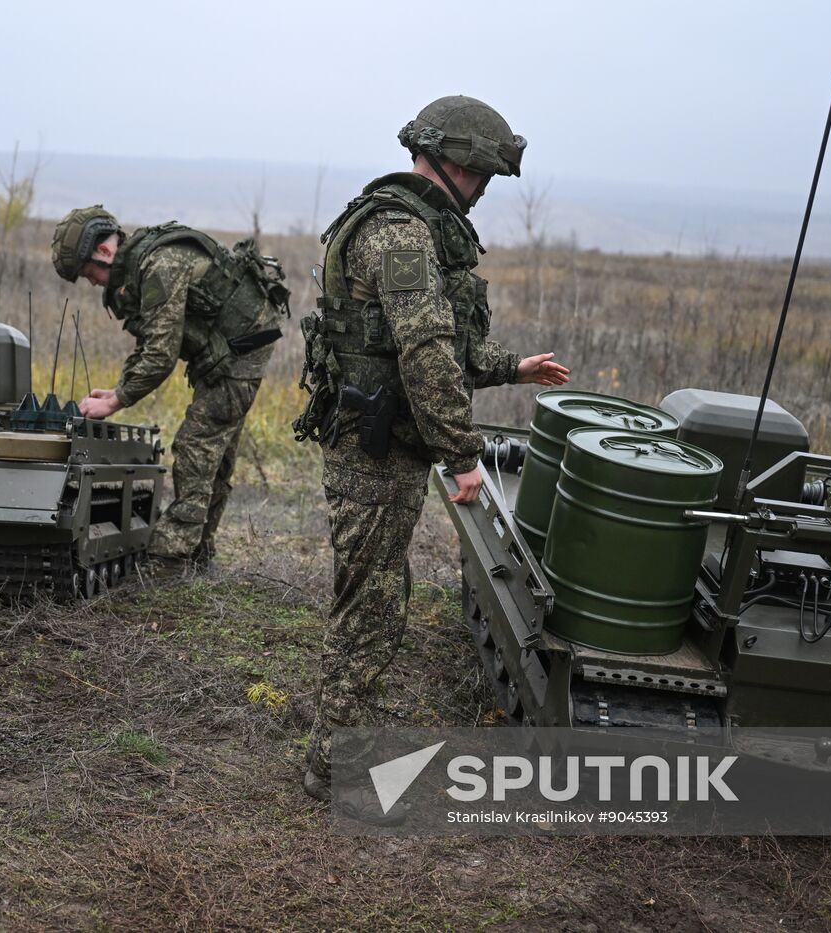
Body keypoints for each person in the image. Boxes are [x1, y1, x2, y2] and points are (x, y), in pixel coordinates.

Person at [293, 95, 570, 816]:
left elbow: (439, 345)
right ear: (460, 163)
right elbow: (423, 357)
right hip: (376, 454)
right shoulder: (402, 235)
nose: (484, 191)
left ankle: (336, 740)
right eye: (484, 175)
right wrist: (462, 454)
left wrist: (513, 367)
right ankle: (334, 767)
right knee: (371, 609)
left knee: (373, 599)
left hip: (382, 450)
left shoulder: (408, 226)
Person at [50, 207, 289, 569]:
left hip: (241, 353)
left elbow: (161, 355)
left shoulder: (161, 266)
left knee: (196, 447)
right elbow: (151, 340)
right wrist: (117, 388)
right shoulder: (141, 268)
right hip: (228, 350)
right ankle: (199, 551)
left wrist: (118, 399)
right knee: (214, 454)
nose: (94, 282)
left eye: (89, 273)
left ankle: (171, 558)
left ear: (103, 252)